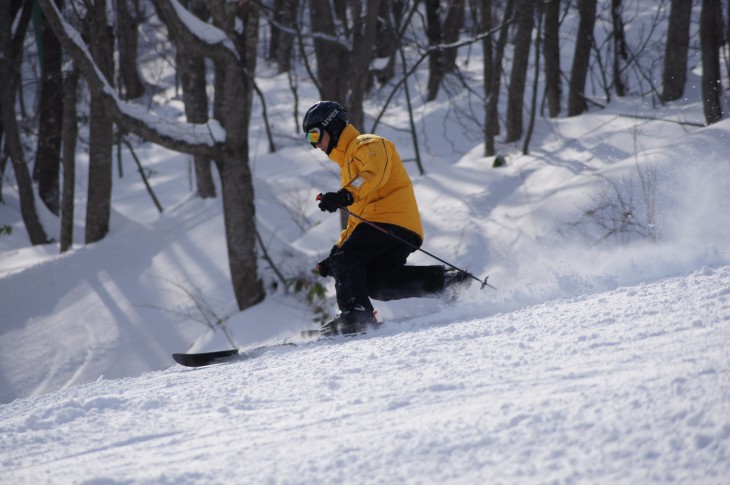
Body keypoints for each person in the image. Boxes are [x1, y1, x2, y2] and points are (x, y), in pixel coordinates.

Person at [302, 101, 469, 336]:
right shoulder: (347, 164)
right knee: (378, 283)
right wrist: (336, 251)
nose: (315, 144)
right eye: (310, 139)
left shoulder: (367, 144)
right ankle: (447, 282)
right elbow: (357, 219)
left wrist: (344, 195)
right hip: (386, 225)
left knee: (348, 258)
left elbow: (372, 175)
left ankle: (356, 313)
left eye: (315, 135)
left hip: (390, 220)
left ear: (333, 126)